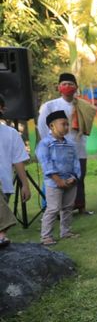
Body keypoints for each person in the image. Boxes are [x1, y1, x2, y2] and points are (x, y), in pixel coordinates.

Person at [38, 73, 96, 215]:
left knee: (78, 178)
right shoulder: (50, 106)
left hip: (78, 147)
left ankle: (81, 207)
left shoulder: (83, 105)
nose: (67, 87)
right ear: (59, 87)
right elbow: (42, 127)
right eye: (64, 84)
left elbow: (86, 126)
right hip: (57, 150)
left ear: (76, 87)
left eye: (70, 84)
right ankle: (56, 210)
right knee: (57, 179)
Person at [36, 110, 80, 246]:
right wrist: (57, 180)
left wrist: (74, 177)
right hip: (53, 183)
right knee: (53, 208)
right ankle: (46, 236)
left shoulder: (70, 144)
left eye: (68, 125)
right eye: (63, 124)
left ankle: (65, 232)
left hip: (70, 181)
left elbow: (75, 162)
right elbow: (46, 162)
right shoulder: (45, 144)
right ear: (52, 126)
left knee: (67, 208)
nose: (67, 127)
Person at [0, 95, 31, 248]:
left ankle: (1, 237)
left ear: (2, 109)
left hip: (3, 182)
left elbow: (18, 161)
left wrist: (25, 184)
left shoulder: (11, 134)